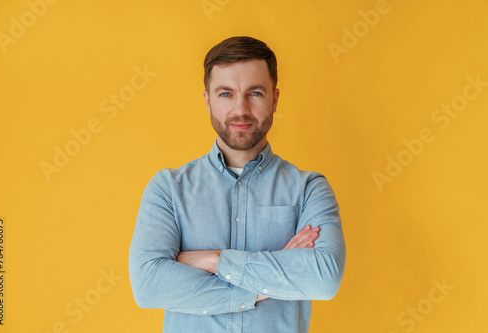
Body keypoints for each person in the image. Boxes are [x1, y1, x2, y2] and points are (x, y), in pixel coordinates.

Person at [129, 36, 346, 333]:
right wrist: (262, 286)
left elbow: (324, 279)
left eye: (255, 93)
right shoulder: (167, 189)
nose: (240, 109)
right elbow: (148, 284)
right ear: (208, 100)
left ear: (275, 98)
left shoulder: (309, 189)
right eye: (226, 94)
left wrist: (212, 260)